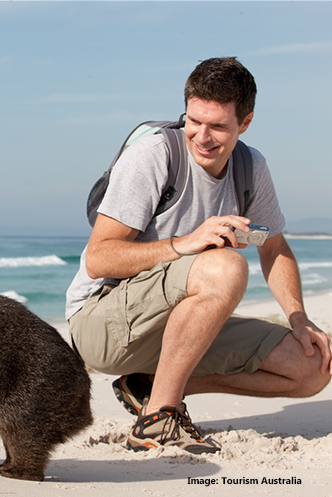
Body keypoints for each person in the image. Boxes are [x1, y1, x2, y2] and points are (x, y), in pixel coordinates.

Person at [66, 57, 331, 454]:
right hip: (103, 324)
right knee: (225, 265)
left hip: (179, 327)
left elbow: (273, 247)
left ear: (245, 123)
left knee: (312, 367)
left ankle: (148, 387)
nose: (202, 137)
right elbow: (98, 259)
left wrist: (298, 317)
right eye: (194, 121)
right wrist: (184, 243)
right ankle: (159, 420)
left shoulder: (249, 167)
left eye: (218, 126)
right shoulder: (155, 155)